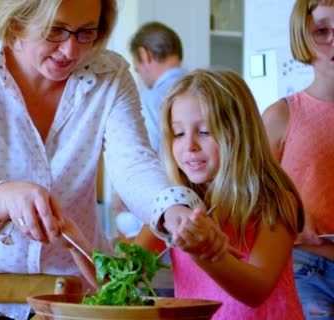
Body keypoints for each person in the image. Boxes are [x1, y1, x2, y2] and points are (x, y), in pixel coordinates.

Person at [0, 1, 228, 319]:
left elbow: (134, 165)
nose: (70, 50)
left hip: (69, 294)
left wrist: (172, 209)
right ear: (17, 23)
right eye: (55, 31)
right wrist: (3, 196)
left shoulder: (110, 74)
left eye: (86, 33)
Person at [135, 69, 305, 319]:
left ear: (240, 133)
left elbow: (256, 289)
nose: (189, 146)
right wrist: (77, 244)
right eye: (178, 134)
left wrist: (201, 250)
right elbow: (124, 273)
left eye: (204, 132)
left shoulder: (274, 199)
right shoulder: (175, 206)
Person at [262, 1, 334, 318]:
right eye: (322, 31)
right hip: (305, 266)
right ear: (303, 38)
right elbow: (250, 198)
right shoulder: (282, 116)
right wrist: (288, 220)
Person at [113, 21, 186, 240]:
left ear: (145, 55)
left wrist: (120, 196)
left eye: (137, 69)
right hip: (207, 207)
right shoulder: (207, 89)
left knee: (120, 219)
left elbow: (143, 161)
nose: (141, 76)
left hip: (166, 213)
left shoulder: (152, 101)